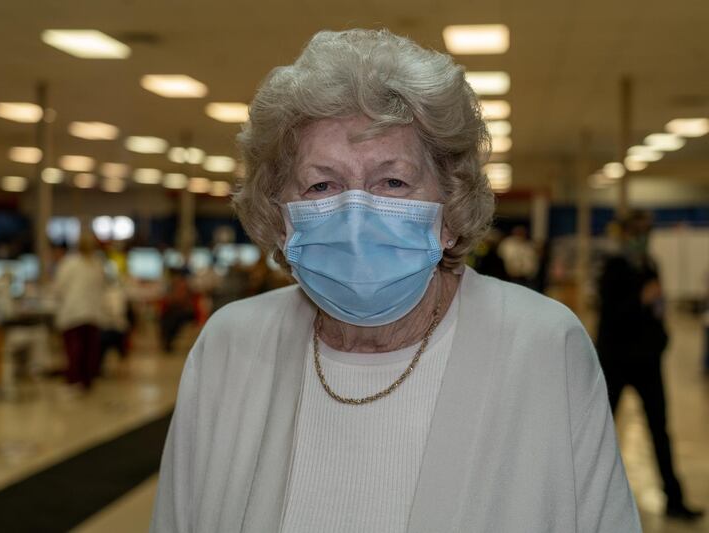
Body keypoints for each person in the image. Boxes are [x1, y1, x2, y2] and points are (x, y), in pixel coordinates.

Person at [151, 29, 640, 532]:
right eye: (322, 184)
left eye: (392, 182)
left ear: (450, 208)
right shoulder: (229, 347)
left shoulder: (541, 345)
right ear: (280, 216)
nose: (356, 214)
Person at [596, 212, 703, 521]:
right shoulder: (614, 267)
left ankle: (675, 499)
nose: (644, 237)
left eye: (648, 231)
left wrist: (662, 338)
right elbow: (610, 315)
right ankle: (588, 499)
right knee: (601, 429)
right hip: (616, 361)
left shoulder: (650, 264)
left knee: (660, 431)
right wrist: (639, 299)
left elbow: (657, 311)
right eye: (638, 232)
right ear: (626, 234)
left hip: (647, 362)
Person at [52, 234, 105, 391]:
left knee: (74, 351)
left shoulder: (69, 263)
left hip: (73, 313)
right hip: (92, 313)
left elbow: (59, 288)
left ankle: (74, 381)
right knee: (88, 351)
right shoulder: (97, 264)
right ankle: (86, 382)